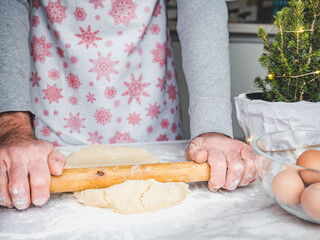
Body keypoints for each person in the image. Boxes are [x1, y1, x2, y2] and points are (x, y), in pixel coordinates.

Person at [0, 0, 257, 210]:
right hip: (48, 116)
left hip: (148, 109)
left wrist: (212, 126)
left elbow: (200, 6)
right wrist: (12, 126)